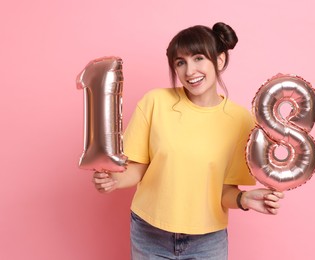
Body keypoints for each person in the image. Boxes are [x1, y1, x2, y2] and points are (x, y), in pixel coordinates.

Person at [92, 22, 284, 259]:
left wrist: (243, 199)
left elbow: (224, 190)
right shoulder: (156, 102)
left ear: (220, 60)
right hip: (149, 232)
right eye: (180, 62)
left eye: (198, 58)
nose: (189, 71)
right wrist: (113, 179)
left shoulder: (240, 120)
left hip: (207, 241)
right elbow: (138, 169)